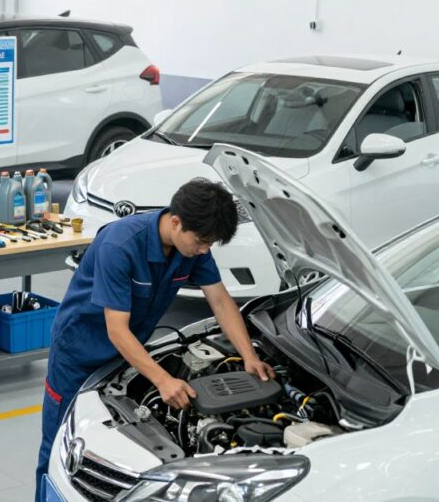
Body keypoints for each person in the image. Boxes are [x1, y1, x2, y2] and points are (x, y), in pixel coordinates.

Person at [35, 178, 275, 501]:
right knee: (58, 448)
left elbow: (220, 300)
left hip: (125, 355)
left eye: (210, 244)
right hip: (78, 354)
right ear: (175, 222)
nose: (205, 250)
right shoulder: (119, 246)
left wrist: (248, 355)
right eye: (202, 241)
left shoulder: (191, 248)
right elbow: (116, 329)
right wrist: (163, 379)